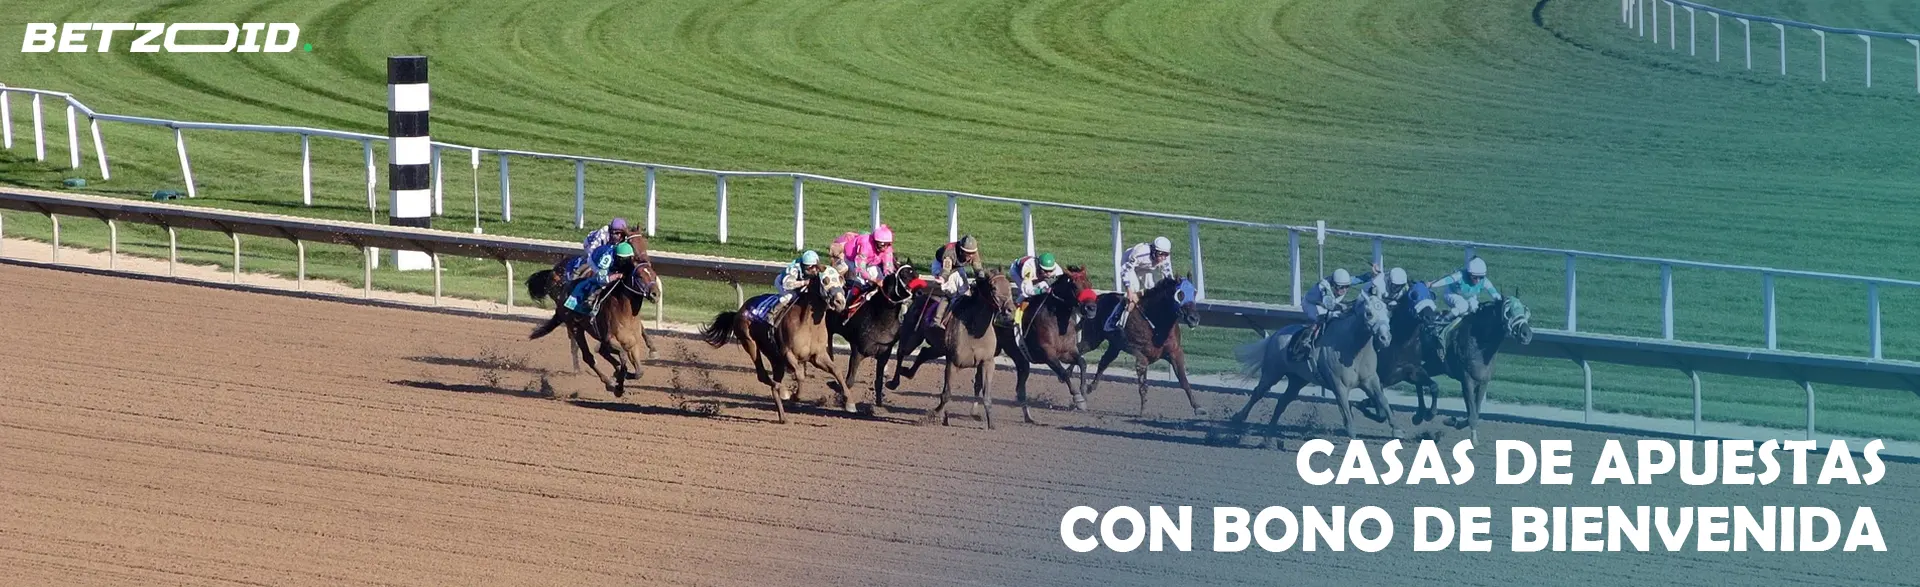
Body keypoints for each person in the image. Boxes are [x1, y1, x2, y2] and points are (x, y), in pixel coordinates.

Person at [1288, 268, 1355, 360]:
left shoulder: (1341, 282)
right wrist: (1343, 307)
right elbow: (1330, 306)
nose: (1344, 290)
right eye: (1341, 287)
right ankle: (1305, 342)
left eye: (1347, 287)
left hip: (1323, 304)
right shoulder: (1324, 288)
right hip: (1310, 304)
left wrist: (1371, 274)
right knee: (1321, 318)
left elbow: (1358, 279)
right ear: (1333, 285)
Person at [1110, 236, 1174, 331]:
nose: (1163, 258)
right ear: (1153, 250)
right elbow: (1125, 271)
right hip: (1129, 265)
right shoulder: (1140, 253)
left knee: (1153, 288)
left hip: (1146, 267)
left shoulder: (1165, 258)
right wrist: (1129, 290)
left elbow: (1168, 277)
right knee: (1133, 291)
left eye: (1166, 254)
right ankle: (1118, 320)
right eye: (1160, 254)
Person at [563, 241, 634, 316]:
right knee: (603, 283)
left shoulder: (625, 255)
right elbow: (601, 279)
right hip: (595, 262)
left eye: (628, 259)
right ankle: (590, 300)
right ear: (617, 256)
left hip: (610, 259)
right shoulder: (607, 258)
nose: (626, 261)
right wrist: (615, 276)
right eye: (623, 259)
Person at [926, 235, 984, 327]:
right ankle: (937, 320)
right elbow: (946, 270)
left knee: (965, 291)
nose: (971, 256)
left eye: (972, 253)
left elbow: (978, 268)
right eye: (968, 253)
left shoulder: (973, 253)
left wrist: (982, 278)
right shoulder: (949, 252)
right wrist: (942, 278)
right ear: (961, 250)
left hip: (957, 267)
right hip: (941, 266)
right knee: (951, 292)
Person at [769, 250, 838, 322]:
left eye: (815, 266)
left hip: (801, 281)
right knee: (790, 296)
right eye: (810, 268)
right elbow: (787, 285)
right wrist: (804, 283)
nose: (814, 270)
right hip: (783, 283)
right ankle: (772, 313)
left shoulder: (815, 268)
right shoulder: (794, 269)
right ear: (804, 266)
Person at [1428, 256, 1501, 320]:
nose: (1478, 280)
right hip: (1452, 294)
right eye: (1474, 277)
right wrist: (1432, 285)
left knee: (1475, 306)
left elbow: (1493, 292)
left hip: (1469, 297)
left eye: (1481, 277)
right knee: (1463, 305)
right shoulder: (1460, 275)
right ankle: (1445, 319)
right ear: (1469, 274)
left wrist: (1501, 301)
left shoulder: (1484, 281)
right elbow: (1446, 280)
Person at [833, 224, 896, 294]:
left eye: (887, 244)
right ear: (875, 241)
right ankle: (849, 301)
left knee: (881, 277)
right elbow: (860, 269)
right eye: (881, 244)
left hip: (871, 262)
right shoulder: (866, 245)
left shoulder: (888, 249)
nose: (884, 248)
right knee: (860, 282)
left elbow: (888, 269)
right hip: (852, 259)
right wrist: (875, 280)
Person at [1009, 252, 1064, 328]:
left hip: (1036, 274)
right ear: (1038, 266)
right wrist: (1042, 291)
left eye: (1051, 271)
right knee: (1025, 294)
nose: (1048, 274)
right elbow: (1027, 291)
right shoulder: (1028, 268)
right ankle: (1014, 311)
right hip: (1017, 272)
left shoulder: (1057, 270)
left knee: (1043, 284)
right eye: (1045, 271)